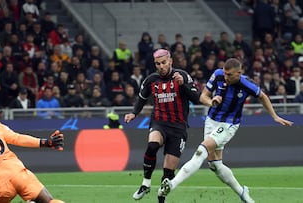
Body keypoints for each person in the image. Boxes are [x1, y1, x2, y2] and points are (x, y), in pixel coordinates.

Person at [159, 58, 294, 203]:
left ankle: (171, 184)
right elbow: (203, 96)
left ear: (239, 73)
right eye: (225, 73)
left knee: (201, 151)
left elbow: (263, 97)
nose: (226, 77)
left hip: (229, 124)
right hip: (211, 120)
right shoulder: (217, 75)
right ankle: (243, 193)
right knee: (215, 165)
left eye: (229, 75)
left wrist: (274, 116)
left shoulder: (246, 84)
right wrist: (212, 102)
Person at [124, 48, 199, 203]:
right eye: (158, 64)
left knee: (168, 175)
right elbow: (141, 98)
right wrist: (134, 113)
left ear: (170, 61)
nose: (161, 66)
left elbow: (196, 98)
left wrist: (183, 84)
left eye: (164, 63)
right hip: (159, 123)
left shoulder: (183, 76)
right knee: (152, 145)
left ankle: (160, 199)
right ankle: (145, 183)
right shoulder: (151, 80)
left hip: (178, 127)